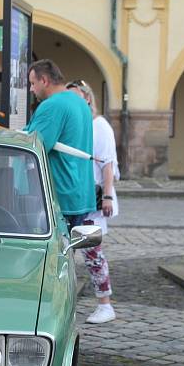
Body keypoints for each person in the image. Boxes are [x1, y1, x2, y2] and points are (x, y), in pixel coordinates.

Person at [66, 79, 119, 323]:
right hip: (78, 195)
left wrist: (107, 195)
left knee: (92, 251)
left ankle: (105, 303)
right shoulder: (81, 124)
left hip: (94, 197)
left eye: (76, 96)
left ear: (87, 97)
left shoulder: (99, 125)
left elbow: (107, 163)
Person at [25, 59, 95, 229]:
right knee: (68, 253)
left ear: (44, 81)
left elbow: (34, 146)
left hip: (59, 197)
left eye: (33, 83)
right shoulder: (80, 102)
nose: (31, 89)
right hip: (80, 194)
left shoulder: (53, 105)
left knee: (52, 255)